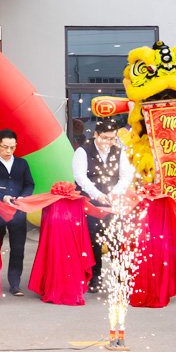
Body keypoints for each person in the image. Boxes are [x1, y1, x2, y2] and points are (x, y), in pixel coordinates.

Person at [72, 118, 134, 292]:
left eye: (112, 138)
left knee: (116, 238)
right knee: (94, 240)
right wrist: (97, 195)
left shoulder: (119, 151)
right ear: (96, 134)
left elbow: (126, 176)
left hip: (113, 201)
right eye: (105, 138)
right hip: (91, 202)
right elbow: (80, 177)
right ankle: (95, 277)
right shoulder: (83, 151)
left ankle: (119, 277)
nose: (109, 142)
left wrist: (114, 193)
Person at [0, 128, 35, 296]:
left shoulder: (22, 163)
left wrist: (23, 197)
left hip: (18, 212)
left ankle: (15, 284)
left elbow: (29, 184)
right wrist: (2, 197)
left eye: (12, 147)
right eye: (5, 147)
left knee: (18, 248)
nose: (9, 151)